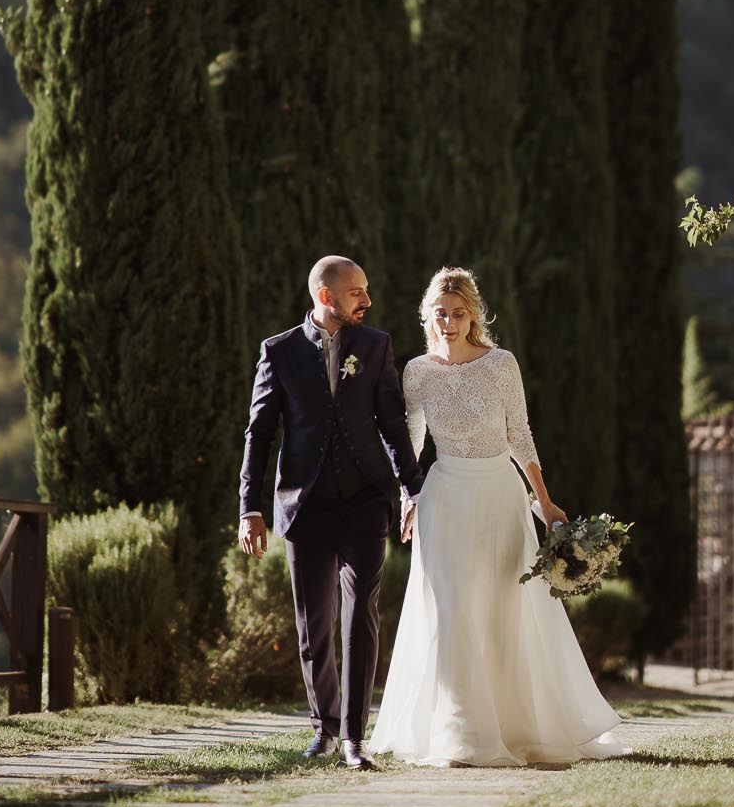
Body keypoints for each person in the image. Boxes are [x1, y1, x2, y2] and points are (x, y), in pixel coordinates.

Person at [368, 265, 625, 768]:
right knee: (452, 607)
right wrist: (407, 496)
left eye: (458, 314)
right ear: (427, 315)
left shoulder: (501, 363)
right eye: (439, 313)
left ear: (473, 315)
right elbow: (411, 439)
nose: (448, 322)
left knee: (502, 609)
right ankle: (459, 733)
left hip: (500, 497)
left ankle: (516, 726)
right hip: (443, 498)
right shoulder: (417, 371)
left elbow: (520, 435)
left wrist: (544, 503)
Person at [239, 254, 424, 770]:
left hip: (366, 499)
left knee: (360, 612)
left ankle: (354, 739)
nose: (367, 301)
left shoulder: (376, 345)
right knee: (314, 622)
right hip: (304, 506)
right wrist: (249, 508)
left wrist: (414, 491)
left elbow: (392, 423)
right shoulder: (278, 352)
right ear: (327, 297)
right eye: (356, 292)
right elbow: (259, 434)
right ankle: (324, 727)